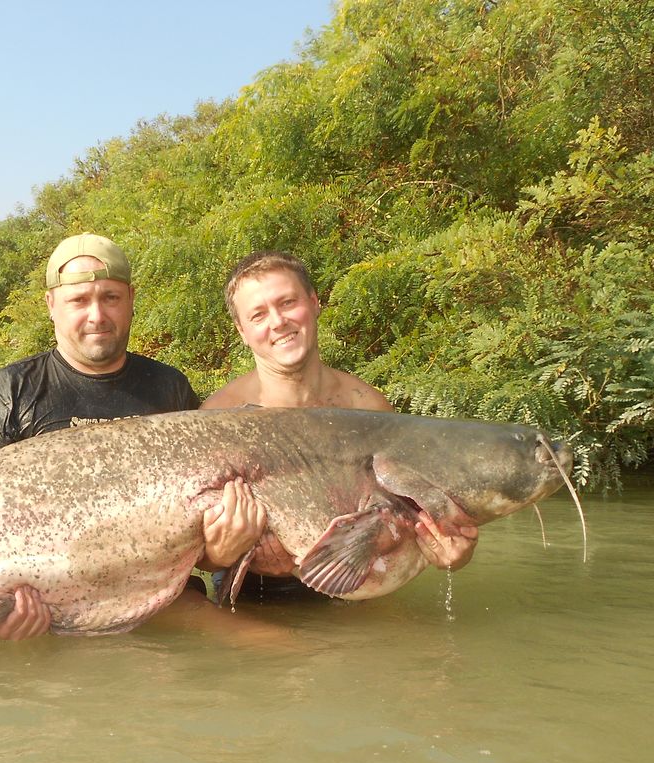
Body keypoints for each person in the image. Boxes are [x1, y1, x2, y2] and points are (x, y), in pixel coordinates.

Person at [0, 233, 262, 639]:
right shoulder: (12, 389)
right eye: (79, 300)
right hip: (52, 611)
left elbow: (207, 519)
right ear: (52, 305)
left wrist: (223, 547)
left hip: (168, 600)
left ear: (131, 300)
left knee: (281, 651)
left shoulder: (169, 387)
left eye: (110, 298)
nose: (96, 315)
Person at [201, 250, 477, 600]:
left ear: (314, 302)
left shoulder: (368, 407)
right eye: (258, 315)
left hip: (356, 589)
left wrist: (450, 551)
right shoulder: (219, 415)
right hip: (255, 596)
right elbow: (194, 551)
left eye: (288, 303)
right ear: (242, 331)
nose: (278, 321)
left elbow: (408, 515)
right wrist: (230, 553)